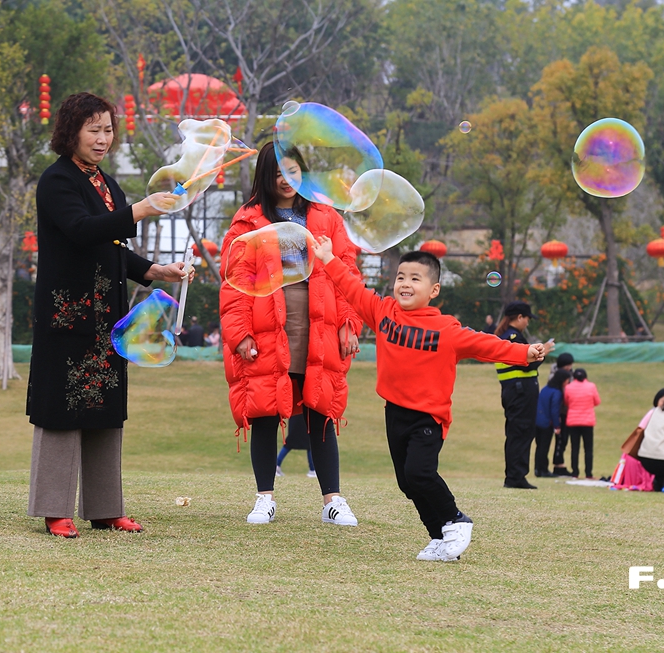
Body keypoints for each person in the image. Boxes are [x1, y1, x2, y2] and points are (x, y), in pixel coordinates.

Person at [312, 237, 543, 561]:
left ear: (433, 290)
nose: (405, 284)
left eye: (415, 278)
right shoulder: (382, 312)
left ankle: (457, 520)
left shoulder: (445, 329)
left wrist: (525, 352)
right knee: (408, 483)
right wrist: (328, 258)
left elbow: (487, 345)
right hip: (394, 413)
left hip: (428, 416)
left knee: (421, 473)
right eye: (401, 277)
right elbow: (352, 289)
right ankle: (440, 538)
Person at [26, 92, 191, 538]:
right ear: (70, 132)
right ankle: (54, 509)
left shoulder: (107, 183)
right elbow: (82, 231)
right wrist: (140, 210)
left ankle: (105, 509)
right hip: (69, 315)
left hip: (108, 318)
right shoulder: (56, 181)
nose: (103, 139)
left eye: (107, 129)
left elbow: (113, 245)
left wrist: (154, 270)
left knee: (105, 410)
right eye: (93, 129)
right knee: (61, 408)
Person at [219, 141, 362, 527]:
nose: (286, 180)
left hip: (319, 322)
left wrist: (350, 323)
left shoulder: (326, 217)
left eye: (293, 171)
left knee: (320, 409)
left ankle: (332, 500)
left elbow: (347, 271)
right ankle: (264, 497)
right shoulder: (248, 220)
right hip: (267, 324)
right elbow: (234, 285)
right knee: (265, 409)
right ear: (264, 176)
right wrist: (240, 335)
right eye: (278, 172)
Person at [495, 301, 550, 489]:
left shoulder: (507, 336)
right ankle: (516, 477)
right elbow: (529, 363)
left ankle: (515, 476)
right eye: (527, 318)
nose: (527, 322)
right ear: (519, 317)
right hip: (520, 392)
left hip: (515, 391)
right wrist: (544, 352)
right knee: (521, 432)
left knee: (517, 432)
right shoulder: (513, 337)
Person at [564, 368, 600, 478]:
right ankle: (588, 473)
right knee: (588, 449)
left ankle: (575, 472)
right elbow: (597, 401)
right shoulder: (591, 386)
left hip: (573, 421)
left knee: (575, 448)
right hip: (587, 421)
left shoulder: (568, 387)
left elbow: (566, 402)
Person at [534, 368, 571, 477]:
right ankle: (543, 470)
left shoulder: (545, 389)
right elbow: (554, 410)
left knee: (539, 446)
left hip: (537, 421)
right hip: (546, 423)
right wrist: (557, 425)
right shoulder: (557, 392)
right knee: (544, 447)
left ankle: (538, 468)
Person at [550, 352, 574, 476]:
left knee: (564, 438)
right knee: (560, 438)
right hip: (559, 410)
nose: (569, 368)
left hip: (568, 410)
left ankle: (560, 463)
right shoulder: (555, 376)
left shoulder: (571, 374)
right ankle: (558, 464)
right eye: (567, 366)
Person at [275, 413, 316, 478]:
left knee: (307, 444)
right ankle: (312, 470)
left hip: (296, 417)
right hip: (302, 417)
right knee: (308, 444)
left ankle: (312, 469)